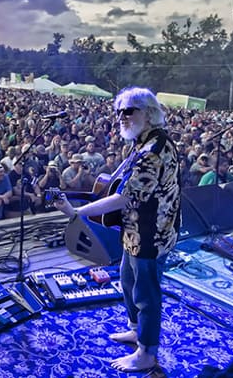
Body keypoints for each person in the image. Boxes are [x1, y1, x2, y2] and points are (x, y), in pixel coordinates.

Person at [54, 87, 180, 373]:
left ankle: (147, 352)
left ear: (148, 114)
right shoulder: (143, 141)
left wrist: (77, 212)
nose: (121, 116)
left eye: (129, 111)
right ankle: (137, 331)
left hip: (151, 232)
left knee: (146, 292)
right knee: (127, 280)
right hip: (135, 227)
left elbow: (126, 196)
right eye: (119, 111)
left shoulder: (153, 151)